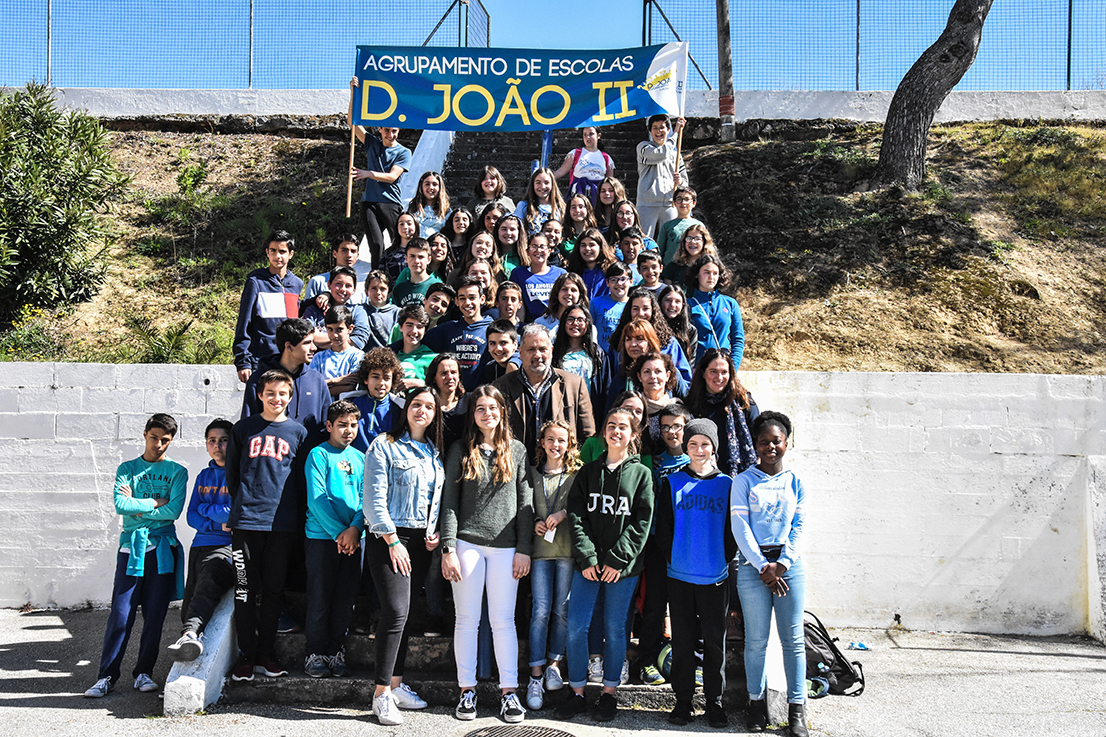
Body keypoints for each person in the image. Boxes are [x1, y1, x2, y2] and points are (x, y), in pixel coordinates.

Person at [440, 386, 533, 724]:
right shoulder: (460, 450)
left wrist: (525, 549)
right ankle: (467, 690)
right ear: (473, 413)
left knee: (503, 621)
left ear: (502, 411)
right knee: (466, 620)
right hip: (467, 544)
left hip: (507, 548)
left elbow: (526, 504)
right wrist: (448, 548)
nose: (487, 413)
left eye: (492, 408)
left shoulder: (518, 451)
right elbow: (449, 502)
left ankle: (510, 693)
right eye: (480, 408)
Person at [556, 405, 654, 723]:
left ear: (633, 434)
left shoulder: (641, 474)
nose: (616, 431)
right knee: (577, 626)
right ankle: (578, 693)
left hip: (621, 568)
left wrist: (615, 559)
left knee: (614, 629)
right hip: (587, 565)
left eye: (622, 427)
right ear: (603, 432)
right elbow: (577, 516)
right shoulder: (588, 471)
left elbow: (642, 523)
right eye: (610, 425)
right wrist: (588, 557)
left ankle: (609, 694)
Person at [83, 414, 187, 698]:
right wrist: (155, 502)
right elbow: (120, 504)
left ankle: (143, 673)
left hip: (162, 550)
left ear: (171, 440)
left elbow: (173, 512)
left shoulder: (178, 472)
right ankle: (106, 676)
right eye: (154, 437)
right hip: (131, 548)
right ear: (144, 435)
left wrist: (137, 506)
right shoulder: (127, 468)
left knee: (155, 616)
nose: (158, 444)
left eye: (165, 440)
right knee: (120, 614)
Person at [363, 386, 445, 725]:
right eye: (416, 404)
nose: (422, 411)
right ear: (406, 408)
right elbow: (372, 498)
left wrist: (434, 529)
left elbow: (434, 498)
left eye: (429, 406)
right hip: (389, 537)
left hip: (420, 540)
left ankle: (396, 686)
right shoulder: (383, 445)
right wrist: (393, 540)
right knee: (395, 610)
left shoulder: (434, 453)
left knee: (407, 614)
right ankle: (380, 694)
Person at [227, 370, 310, 681]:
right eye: (270, 393)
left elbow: (301, 480)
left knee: (274, 591)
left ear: (291, 397)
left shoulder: (298, 433)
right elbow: (232, 476)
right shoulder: (243, 429)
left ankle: (266, 653)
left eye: (283, 394)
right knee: (245, 589)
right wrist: (242, 507)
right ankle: (246, 655)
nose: (277, 399)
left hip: (282, 524)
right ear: (259, 395)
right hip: (246, 522)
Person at [730, 412, 809, 737]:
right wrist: (763, 565)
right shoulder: (744, 481)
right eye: (764, 441)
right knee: (756, 642)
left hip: (789, 569)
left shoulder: (796, 482)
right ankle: (756, 704)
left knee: (793, 640)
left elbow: (799, 527)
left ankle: (797, 711)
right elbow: (740, 527)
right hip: (753, 570)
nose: (770, 446)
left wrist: (783, 564)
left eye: (776, 441)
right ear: (756, 445)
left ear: (786, 443)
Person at [656, 419, 736, 728]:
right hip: (679, 575)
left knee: (715, 643)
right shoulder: (672, 482)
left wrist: (722, 559)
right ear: (685, 448)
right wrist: (674, 556)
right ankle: (683, 702)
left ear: (713, 448)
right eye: (693, 444)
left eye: (705, 444)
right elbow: (662, 529)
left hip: (714, 577)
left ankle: (714, 702)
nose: (699, 450)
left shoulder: (727, 484)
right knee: (683, 641)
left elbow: (733, 533)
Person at [303, 400, 365, 678]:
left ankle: (335, 650)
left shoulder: (361, 458)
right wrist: (340, 534)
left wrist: (355, 530)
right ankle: (315, 652)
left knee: (345, 598)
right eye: (342, 425)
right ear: (329, 426)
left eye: (353, 425)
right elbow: (317, 499)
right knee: (320, 596)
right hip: (322, 538)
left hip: (354, 540)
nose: (348, 430)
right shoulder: (318, 455)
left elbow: (367, 499)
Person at [167, 418, 235, 664]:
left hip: (228, 546)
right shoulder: (204, 475)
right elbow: (192, 517)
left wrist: (209, 510)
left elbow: (234, 512)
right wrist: (217, 521)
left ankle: (190, 633)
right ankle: (186, 652)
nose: (218, 445)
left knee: (211, 575)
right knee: (191, 598)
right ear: (207, 445)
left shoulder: (239, 473)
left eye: (224, 440)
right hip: (200, 544)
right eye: (212, 441)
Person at [633, 403, 690, 687]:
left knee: (686, 609)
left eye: (676, 426)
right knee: (654, 606)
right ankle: (647, 661)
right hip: (657, 542)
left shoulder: (696, 462)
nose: (670, 432)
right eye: (665, 426)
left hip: (688, 547)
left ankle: (688, 662)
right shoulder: (654, 463)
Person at [525, 420, 580, 711]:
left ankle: (554, 664)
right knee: (540, 611)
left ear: (569, 444)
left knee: (562, 610)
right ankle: (535, 675)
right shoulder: (533, 475)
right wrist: (535, 522)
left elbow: (581, 507)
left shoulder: (576, 475)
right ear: (542, 442)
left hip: (567, 552)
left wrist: (563, 513)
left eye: (561, 440)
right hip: (540, 553)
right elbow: (526, 508)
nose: (555, 445)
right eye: (550, 440)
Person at [493, 324, 596, 454]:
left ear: (551, 351)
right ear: (520, 352)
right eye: (531, 349)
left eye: (543, 349)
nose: (537, 355)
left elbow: (588, 435)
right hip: (516, 469)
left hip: (561, 470)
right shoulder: (501, 387)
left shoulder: (575, 384)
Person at [348, 77, 411, 270]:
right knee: (376, 245)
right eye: (387, 131)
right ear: (380, 129)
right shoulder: (372, 143)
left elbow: (392, 177)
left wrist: (368, 173)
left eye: (394, 131)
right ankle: (376, 278)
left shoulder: (403, 152)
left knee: (398, 243)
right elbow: (352, 122)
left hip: (391, 203)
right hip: (370, 202)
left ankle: (399, 275)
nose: (390, 135)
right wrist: (353, 92)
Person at [242, 318, 332, 443]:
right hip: (271, 459)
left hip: (308, 460)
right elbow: (248, 425)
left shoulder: (317, 380)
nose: (314, 348)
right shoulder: (260, 379)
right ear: (288, 346)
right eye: (307, 343)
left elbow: (325, 427)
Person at [233, 231, 302, 384]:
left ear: (291, 254)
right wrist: (243, 360)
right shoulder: (255, 281)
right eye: (273, 251)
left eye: (282, 251)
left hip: (288, 360)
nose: (278, 256)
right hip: (261, 361)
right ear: (267, 252)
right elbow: (244, 322)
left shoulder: (297, 284)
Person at [686, 348, 759, 479]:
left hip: (740, 477)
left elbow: (759, 438)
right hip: (700, 477)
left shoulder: (743, 402)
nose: (719, 377)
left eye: (724, 372)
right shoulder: (691, 403)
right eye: (713, 372)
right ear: (703, 373)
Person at [423, 276, 493, 392]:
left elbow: (515, 344)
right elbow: (416, 343)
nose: (467, 303)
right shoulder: (448, 329)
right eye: (462, 298)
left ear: (482, 299)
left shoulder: (492, 328)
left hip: (481, 395)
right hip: (454, 397)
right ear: (456, 301)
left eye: (472, 298)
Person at [552, 304, 612, 428]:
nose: (575, 323)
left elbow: (606, 389)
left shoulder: (598, 354)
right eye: (570, 319)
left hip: (591, 412)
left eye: (580, 320)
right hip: (562, 412)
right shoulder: (554, 353)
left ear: (587, 323)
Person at [687, 252, 745, 369]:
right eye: (706, 272)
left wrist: (732, 368)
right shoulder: (687, 304)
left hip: (723, 368)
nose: (711, 277)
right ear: (697, 274)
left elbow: (738, 339)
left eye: (715, 273)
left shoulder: (730, 303)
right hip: (697, 369)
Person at [636, 114, 687, 237]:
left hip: (669, 203)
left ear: (667, 130)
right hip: (647, 204)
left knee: (670, 240)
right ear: (650, 131)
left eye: (662, 127)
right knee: (644, 240)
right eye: (655, 128)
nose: (659, 131)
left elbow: (685, 183)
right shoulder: (644, 147)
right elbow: (661, 154)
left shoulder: (676, 154)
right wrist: (676, 134)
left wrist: (680, 182)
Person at [348, 347, 404, 452]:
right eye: (375, 377)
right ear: (365, 379)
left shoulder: (399, 409)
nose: (381, 383)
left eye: (386, 378)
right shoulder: (353, 404)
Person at [301, 266, 371, 350]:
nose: (343, 289)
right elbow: (307, 336)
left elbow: (359, 341)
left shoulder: (358, 311)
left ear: (354, 290)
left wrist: (320, 340)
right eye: (338, 284)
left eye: (348, 286)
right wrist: (344, 337)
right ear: (329, 285)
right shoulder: (315, 309)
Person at [510, 233, 567, 322]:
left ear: (549, 251)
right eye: (534, 246)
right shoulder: (519, 273)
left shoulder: (560, 273)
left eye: (542, 247)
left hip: (556, 323)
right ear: (527, 252)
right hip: (530, 324)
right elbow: (518, 303)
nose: (538, 250)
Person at [303, 234, 371, 307]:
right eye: (344, 250)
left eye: (353, 251)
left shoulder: (362, 285)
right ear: (335, 253)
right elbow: (307, 311)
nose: (349, 255)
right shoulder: (318, 282)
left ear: (357, 256)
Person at [553, 126, 615, 205]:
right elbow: (560, 171)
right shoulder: (575, 153)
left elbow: (611, 182)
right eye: (585, 134)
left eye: (591, 134)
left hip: (598, 196)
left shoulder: (606, 158)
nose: (587, 137)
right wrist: (546, 176)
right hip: (578, 194)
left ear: (598, 136)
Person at [309, 306, 364, 391]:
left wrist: (323, 386)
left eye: (339, 329)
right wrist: (336, 381)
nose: (334, 335)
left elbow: (350, 387)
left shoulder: (357, 356)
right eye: (330, 329)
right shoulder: (318, 357)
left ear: (350, 329)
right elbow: (312, 385)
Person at [427, 353, 467, 451]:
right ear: (434, 378)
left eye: (453, 372)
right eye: (444, 373)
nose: (450, 377)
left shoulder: (470, 402)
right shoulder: (426, 404)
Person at [390, 305, 437, 388]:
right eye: (409, 325)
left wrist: (421, 384)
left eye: (419, 327)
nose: (414, 331)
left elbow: (442, 388)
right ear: (400, 327)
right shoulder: (390, 358)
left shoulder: (433, 359)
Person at [590, 262, 633, 349]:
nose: (619, 283)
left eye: (623, 279)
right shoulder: (596, 303)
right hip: (601, 356)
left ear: (631, 281)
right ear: (607, 282)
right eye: (614, 279)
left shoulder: (634, 305)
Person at [656, 186, 703, 265]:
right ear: (674, 203)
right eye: (679, 199)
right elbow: (660, 250)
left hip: (691, 268)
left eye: (687, 199)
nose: (683, 202)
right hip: (669, 269)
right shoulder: (667, 226)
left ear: (694, 203)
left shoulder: (699, 225)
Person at [391, 239, 444, 308]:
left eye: (420, 257)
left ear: (429, 260)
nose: (416, 261)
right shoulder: (399, 289)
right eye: (412, 256)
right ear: (406, 258)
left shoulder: (437, 286)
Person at [514, 167, 566, 237]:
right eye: (538, 183)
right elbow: (517, 231)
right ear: (533, 185)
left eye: (546, 182)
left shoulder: (561, 208)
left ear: (552, 185)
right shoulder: (523, 206)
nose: (542, 186)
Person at [662, 222, 716, 287]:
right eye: (689, 238)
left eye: (697, 239)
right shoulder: (673, 267)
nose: (692, 242)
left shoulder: (713, 267)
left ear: (704, 242)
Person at [363, 269, 402, 351]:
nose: (378, 292)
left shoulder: (398, 313)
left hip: (391, 356)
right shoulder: (360, 310)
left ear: (389, 293)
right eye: (373, 288)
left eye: (382, 289)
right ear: (366, 292)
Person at [659, 284, 698, 360]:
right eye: (668, 300)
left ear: (683, 306)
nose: (672, 305)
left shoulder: (690, 330)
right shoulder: (652, 327)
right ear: (660, 302)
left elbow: (691, 361)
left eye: (677, 301)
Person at [406, 171, 451, 236]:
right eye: (427, 184)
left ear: (440, 188)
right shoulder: (410, 207)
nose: (431, 187)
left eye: (435, 184)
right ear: (421, 187)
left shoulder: (447, 211)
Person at [382, 213, 420, 284]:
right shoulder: (388, 254)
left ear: (416, 226)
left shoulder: (422, 251)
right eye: (401, 224)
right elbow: (381, 277)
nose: (405, 227)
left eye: (409, 223)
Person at [481, 319, 520, 385]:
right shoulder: (490, 368)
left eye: (503, 343)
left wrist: (514, 363)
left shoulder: (524, 365)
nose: (498, 348)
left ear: (515, 345)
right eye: (492, 343)